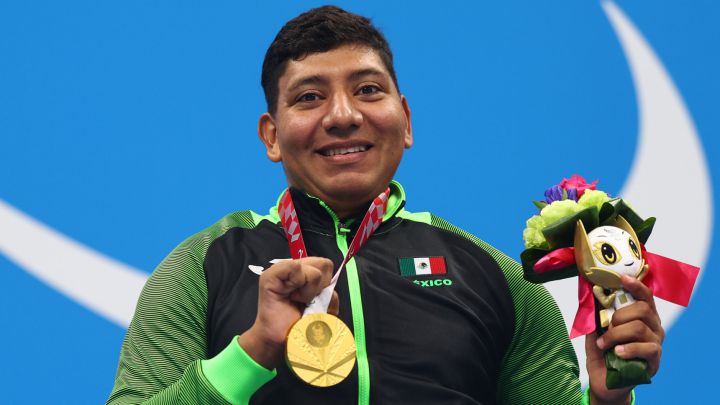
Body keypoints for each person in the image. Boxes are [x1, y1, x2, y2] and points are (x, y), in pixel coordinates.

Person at [107, 5, 663, 404]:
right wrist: (251, 353)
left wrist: (608, 401)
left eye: (368, 90)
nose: (344, 114)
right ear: (271, 136)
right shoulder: (203, 266)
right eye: (309, 96)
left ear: (407, 120)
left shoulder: (496, 279)